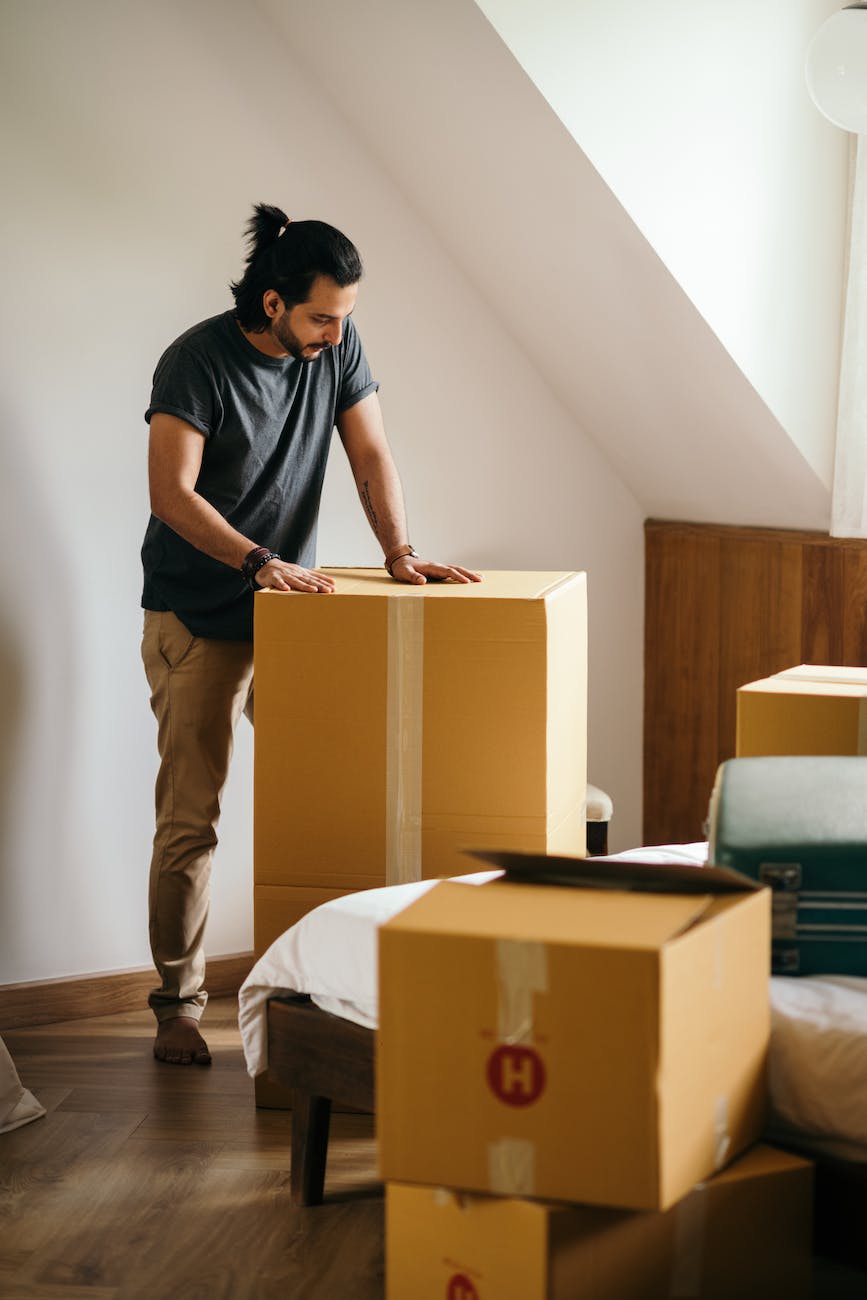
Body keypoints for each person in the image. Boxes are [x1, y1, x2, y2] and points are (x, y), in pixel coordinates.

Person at [141, 203, 482, 1066]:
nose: (336, 334)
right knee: (192, 820)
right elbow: (172, 495)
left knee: (336, 800)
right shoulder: (196, 361)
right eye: (321, 317)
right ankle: (177, 1007)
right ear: (271, 305)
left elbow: (370, 454)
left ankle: (334, 990)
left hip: (294, 615)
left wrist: (400, 553)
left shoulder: (339, 348)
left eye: (346, 317)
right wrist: (257, 560)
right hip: (199, 616)